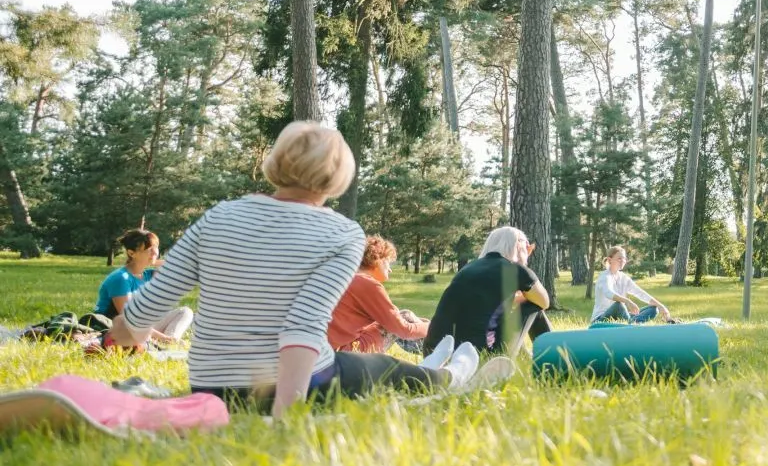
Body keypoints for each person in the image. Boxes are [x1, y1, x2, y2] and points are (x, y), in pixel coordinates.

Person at [112, 122, 501, 414]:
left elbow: (147, 308)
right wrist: (286, 408)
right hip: (300, 383)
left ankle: (434, 367)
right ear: (338, 177)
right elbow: (303, 326)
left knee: (372, 364)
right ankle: (446, 377)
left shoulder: (219, 216)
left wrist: (115, 336)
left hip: (211, 388)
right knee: (381, 369)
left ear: (276, 162)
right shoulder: (343, 233)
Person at [424, 226, 551, 355]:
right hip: (480, 354)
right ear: (517, 244)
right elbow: (544, 302)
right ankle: (554, 354)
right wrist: (522, 298)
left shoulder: (468, 268)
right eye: (526, 244)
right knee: (534, 304)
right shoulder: (516, 270)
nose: (529, 249)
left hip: (435, 352)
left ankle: (524, 357)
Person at [328, 235, 430, 353]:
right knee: (405, 317)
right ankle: (436, 351)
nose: (390, 269)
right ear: (377, 259)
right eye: (388, 263)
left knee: (403, 317)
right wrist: (433, 326)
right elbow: (404, 330)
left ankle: (433, 350)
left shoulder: (345, 278)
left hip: (317, 352)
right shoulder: (368, 284)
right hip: (341, 355)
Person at [95, 229, 192, 347]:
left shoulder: (148, 275)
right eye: (148, 250)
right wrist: (164, 337)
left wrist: (153, 261)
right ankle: (164, 340)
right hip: (117, 327)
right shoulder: (121, 279)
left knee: (185, 312)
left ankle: (168, 341)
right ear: (131, 253)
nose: (155, 252)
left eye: (155, 247)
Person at [590, 246, 673, 324]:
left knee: (653, 309)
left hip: (620, 318)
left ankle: (631, 323)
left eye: (624, 258)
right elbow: (609, 293)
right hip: (600, 319)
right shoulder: (604, 276)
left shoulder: (623, 277)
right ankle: (631, 325)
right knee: (619, 305)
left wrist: (661, 306)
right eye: (619, 258)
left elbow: (640, 293)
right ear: (609, 260)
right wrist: (627, 301)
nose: (623, 261)